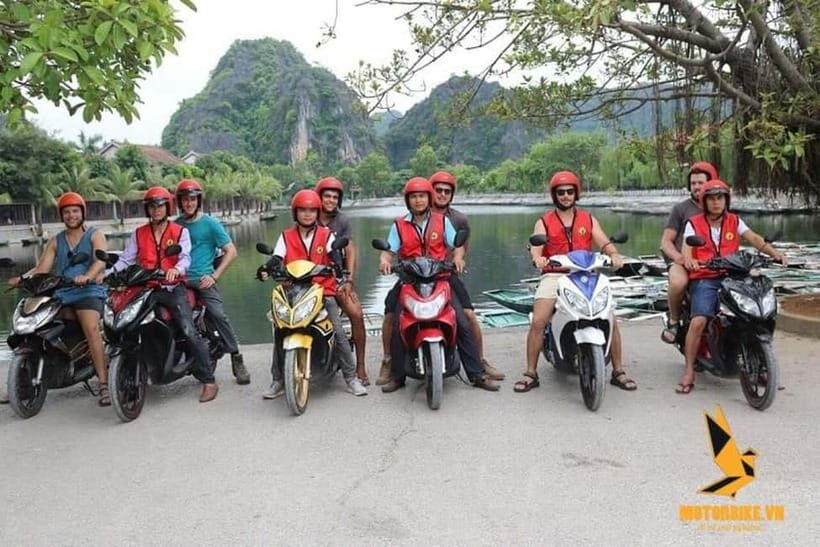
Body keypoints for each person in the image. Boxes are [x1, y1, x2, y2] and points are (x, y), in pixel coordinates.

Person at [513, 171, 637, 393]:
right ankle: (531, 372)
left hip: (586, 273)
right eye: (561, 192)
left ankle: (618, 371)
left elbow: (604, 241)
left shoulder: (588, 219)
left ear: (576, 193)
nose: (565, 196)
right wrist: (538, 258)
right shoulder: (544, 221)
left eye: (570, 192)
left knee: (610, 317)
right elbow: (536, 247)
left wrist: (614, 254)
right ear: (555, 195)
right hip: (555, 274)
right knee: (539, 319)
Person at [377, 177, 500, 393]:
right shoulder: (399, 224)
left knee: (460, 321)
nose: (418, 200)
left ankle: (476, 373)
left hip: (441, 277)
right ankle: (397, 375)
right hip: (410, 279)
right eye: (414, 197)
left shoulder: (443, 222)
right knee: (397, 321)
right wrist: (385, 261)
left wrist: (459, 258)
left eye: (422, 196)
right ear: (408, 200)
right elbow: (388, 251)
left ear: (428, 198)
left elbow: (457, 244)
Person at [108, 186, 218, 403]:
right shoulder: (139, 233)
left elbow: (185, 257)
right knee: (126, 321)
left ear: (167, 207)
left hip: (171, 287)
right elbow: (126, 259)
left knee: (188, 329)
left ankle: (209, 380)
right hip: (144, 287)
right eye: (152, 206)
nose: (156, 210)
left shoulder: (179, 231)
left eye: (159, 206)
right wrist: (107, 273)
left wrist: (176, 269)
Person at [676, 179, 786, 394]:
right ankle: (689, 370)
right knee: (699, 320)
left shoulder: (734, 221)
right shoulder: (693, 223)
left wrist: (775, 254)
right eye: (712, 199)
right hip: (706, 277)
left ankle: (763, 365)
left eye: (720, 198)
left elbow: (754, 238)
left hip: (733, 276)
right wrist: (689, 260)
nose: (717, 203)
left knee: (758, 313)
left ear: (726, 200)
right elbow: (688, 246)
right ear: (704, 201)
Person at [260, 189, 367, 399]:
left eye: (311, 210)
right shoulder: (286, 236)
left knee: (336, 329)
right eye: (303, 210)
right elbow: (277, 257)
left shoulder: (326, 235)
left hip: (322, 290)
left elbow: (335, 254)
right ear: (295, 212)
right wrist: (266, 268)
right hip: (293, 290)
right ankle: (278, 379)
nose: (307, 214)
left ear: (317, 213)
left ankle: (350, 377)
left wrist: (339, 270)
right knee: (280, 331)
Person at [5, 192, 110, 406]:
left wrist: (88, 276)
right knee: (35, 325)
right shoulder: (56, 240)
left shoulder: (94, 235)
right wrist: (23, 278)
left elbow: (100, 261)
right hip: (62, 293)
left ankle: (103, 384)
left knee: (90, 327)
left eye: (75, 211)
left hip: (88, 291)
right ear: (61, 215)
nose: (71, 215)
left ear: (82, 213)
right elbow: (43, 267)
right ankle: (21, 383)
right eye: (67, 212)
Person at [175, 179, 250, 385]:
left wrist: (215, 276)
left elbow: (231, 251)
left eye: (192, 199)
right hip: (179, 281)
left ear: (198, 201)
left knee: (218, 314)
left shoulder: (210, 223)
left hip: (203, 280)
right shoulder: (176, 225)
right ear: (179, 202)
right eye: (185, 200)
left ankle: (236, 357)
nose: (188, 203)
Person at [314, 177, 369, 385]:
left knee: (356, 314)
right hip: (309, 280)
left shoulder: (342, 221)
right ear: (318, 197)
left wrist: (349, 279)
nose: (330, 200)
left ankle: (361, 366)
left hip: (335, 278)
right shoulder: (308, 216)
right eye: (327, 196)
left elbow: (350, 248)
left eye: (335, 197)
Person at [660, 161, 717, 343]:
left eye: (701, 182)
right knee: (679, 282)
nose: (697, 187)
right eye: (693, 183)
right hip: (682, 260)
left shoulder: (719, 206)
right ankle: (674, 321)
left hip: (710, 261)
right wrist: (678, 257)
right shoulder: (681, 209)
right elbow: (666, 241)